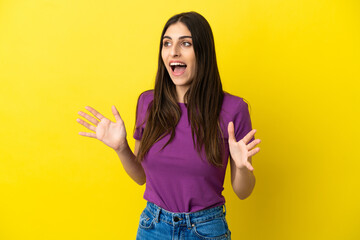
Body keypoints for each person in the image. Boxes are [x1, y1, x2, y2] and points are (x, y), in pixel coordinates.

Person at [76, 11, 261, 240]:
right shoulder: (148, 103)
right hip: (153, 226)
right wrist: (121, 148)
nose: (173, 51)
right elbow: (141, 177)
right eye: (167, 43)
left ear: (203, 52)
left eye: (185, 43)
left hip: (205, 229)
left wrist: (242, 167)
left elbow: (243, 192)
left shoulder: (233, 109)